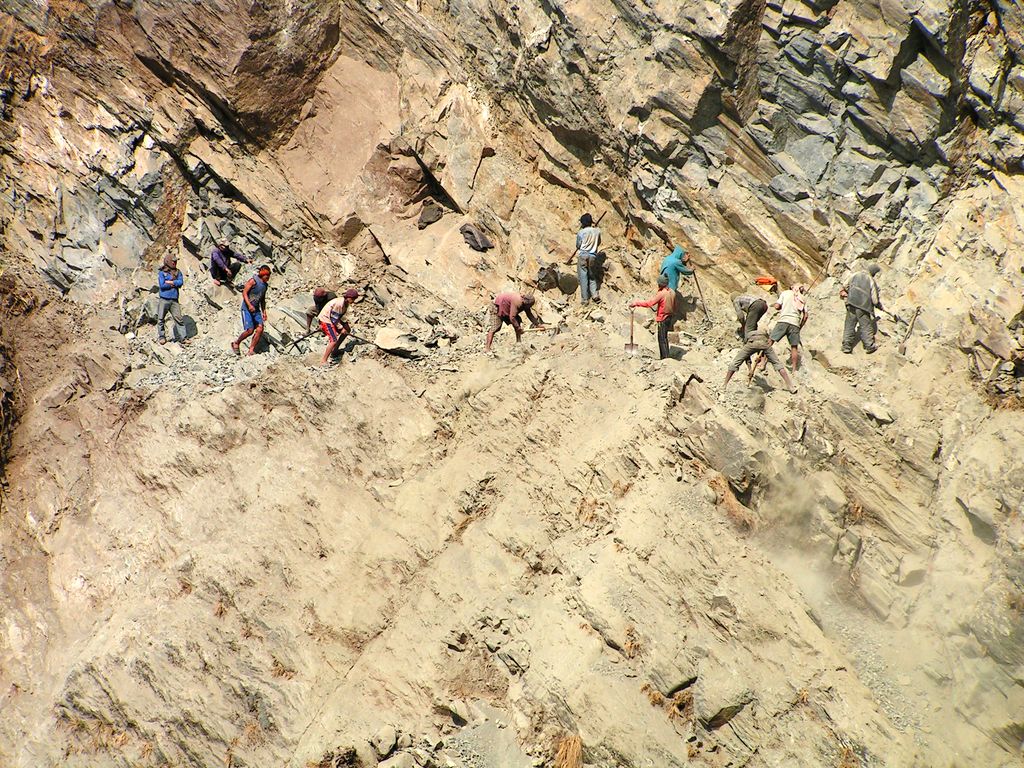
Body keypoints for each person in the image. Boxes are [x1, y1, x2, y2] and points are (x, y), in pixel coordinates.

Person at [723, 328, 797, 393]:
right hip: (764, 340)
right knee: (777, 363)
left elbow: (746, 357)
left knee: (735, 362)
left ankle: (724, 384)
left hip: (752, 340)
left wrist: (750, 369)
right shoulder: (760, 331)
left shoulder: (746, 335)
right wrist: (754, 368)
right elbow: (767, 344)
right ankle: (791, 387)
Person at [630, 274, 675, 360]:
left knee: (662, 339)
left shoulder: (662, 294)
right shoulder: (672, 292)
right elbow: (674, 305)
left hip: (662, 318)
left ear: (661, 284)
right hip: (669, 316)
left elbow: (650, 303)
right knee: (664, 337)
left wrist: (636, 303)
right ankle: (665, 357)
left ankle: (665, 358)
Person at [840, 263, 882, 354]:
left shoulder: (855, 274)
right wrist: (878, 305)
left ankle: (846, 346)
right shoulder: (870, 280)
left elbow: (845, 285)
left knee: (849, 325)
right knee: (866, 325)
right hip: (863, 306)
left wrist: (851, 292)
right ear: (873, 273)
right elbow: (875, 300)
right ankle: (869, 346)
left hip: (851, 302)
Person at [232, 265, 271, 356]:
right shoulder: (253, 281)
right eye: (267, 275)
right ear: (262, 274)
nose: (268, 277)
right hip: (246, 308)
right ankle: (236, 343)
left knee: (260, 328)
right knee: (250, 330)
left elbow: (262, 299)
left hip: (256, 309)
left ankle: (251, 349)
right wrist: (249, 305)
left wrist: (264, 311)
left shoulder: (265, 285)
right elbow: (244, 293)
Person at [770, 284, 808, 371]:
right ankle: (794, 369)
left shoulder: (785, 293)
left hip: (783, 321)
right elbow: (805, 316)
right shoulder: (802, 298)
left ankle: (762, 361)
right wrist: (800, 326)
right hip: (795, 324)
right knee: (794, 347)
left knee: (770, 341)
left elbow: (777, 307)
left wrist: (779, 306)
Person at [318, 288, 358, 366]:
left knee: (347, 329)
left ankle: (335, 350)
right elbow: (333, 318)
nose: (353, 301)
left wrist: (345, 325)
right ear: (348, 297)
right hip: (326, 320)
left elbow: (340, 316)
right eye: (353, 299)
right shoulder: (339, 303)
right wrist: (340, 328)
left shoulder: (345, 303)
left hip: (332, 318)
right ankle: (323, 360)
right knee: (333, 340)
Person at [568, 213, 601, 304]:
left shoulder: (581, 232)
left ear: (583, 223)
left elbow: (578, 245)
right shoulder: (597, 231)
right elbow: (599, 242)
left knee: (583, 277)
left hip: (583, 255)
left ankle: (585, 299)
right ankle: (595, 295)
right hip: (592, 256)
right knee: (592, 276)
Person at [156, 254, 186, 345]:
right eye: (173, 261)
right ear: (168, 261)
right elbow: (162, 285)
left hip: (174, 300)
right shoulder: (162, 272)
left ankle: (184, 338)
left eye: (176, 261)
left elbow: (180, 282)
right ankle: (162, 337)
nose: (175, 262)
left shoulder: (178, 272)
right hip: (164, 299)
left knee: (179, 319)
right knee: (160, 319)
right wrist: (174, 284)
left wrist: (171, 282)